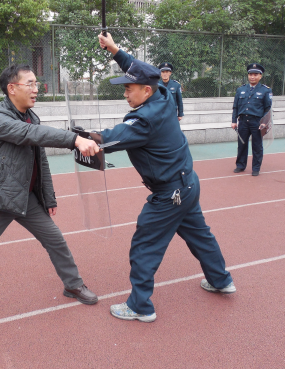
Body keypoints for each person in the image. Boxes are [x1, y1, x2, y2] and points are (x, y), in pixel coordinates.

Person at [0, 64, 100, 337]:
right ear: (12, 88)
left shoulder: (31, 116)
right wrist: (74, 139)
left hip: (27, 198)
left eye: (37, 83)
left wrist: (48, 196)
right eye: (30, 83)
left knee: (55, 240)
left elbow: (40, 160)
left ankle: (72, 285)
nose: (36, 89)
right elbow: (30, 135)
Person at [97, 33, 234, 323]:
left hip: (170, 194)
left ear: (146, 91)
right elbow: (140, 68)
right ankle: (221, 280)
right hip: (187, 184)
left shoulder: (143, 120)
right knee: (200, 236)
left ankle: (140, 306)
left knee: (145, 245)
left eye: (129, 89)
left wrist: (75, 138)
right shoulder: (163, 94)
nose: (125, 94)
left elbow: (109, 139)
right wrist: (115, 50)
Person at [231, 63, 272, 177]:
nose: (252, 77)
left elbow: (268, 109)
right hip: (243, 121)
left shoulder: (265, 90)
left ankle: (256, 168)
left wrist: (264, 122)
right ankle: (240, 165)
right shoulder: (241, 89)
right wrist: (234, 121)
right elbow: (235, 107)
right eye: (250, 74)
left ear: (260, 76)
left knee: (257, 146)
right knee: (242, 145)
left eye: (255, 75)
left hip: (257, 122)